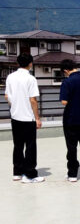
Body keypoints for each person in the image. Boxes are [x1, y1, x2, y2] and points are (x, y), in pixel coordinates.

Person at [4, 53, 45, 183]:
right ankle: (30, 174)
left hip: (15, 116)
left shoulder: (10, 77)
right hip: (28, 118)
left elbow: (7, 96)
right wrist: (37, 118)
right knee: (30, 146)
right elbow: (33, 100)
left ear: (18, 63)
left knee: (18, 145)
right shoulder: (31, 79)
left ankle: (17, 172)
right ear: (30, 63)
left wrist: (15, 106)